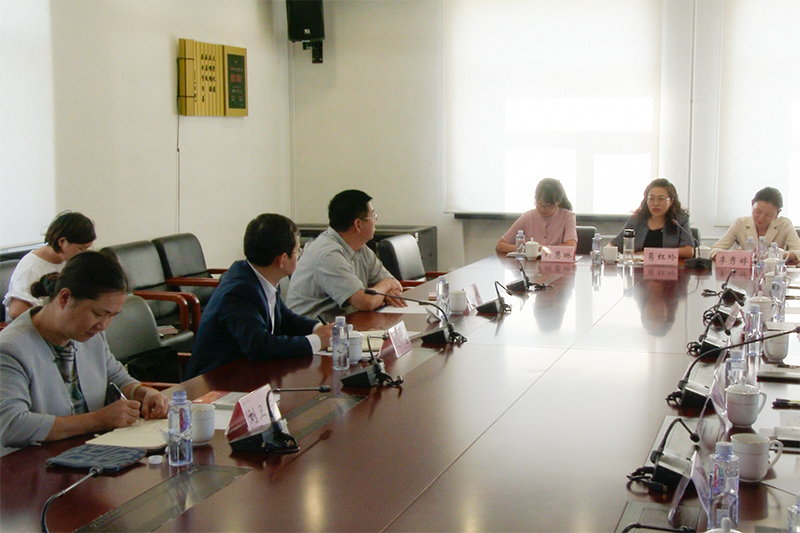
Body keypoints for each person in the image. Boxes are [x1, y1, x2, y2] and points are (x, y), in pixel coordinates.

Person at [0, 252, 168, 456]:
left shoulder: (89, 334)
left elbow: (115, 375)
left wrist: (144, 393)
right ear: (65, 298)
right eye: (97, 314)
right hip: (30, 464)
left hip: (87, 453)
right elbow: (11, 425)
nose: (103, 325)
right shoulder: (10, 348)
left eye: (111, 316)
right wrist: (97, 420)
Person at [184, 214, 335, 380]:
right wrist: (316, 341)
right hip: (214, 382)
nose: (299, 255)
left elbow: (286, 320)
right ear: (282, 260)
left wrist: (318, 329)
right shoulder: (239, 291)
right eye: (297, 251)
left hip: (246, 373)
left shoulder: (261, 276)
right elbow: (258, 345)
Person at [286, 189, 406, 320]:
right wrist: (386, 286)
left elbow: (394, 285)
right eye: (373, 217)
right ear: (358, 224)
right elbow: (366, 302)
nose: (375, 221)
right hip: (310, 330)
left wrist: (384, 290)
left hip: (344, 324)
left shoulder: (360, 248)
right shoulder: (328, 254)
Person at [4, 211, 96, 321]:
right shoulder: (31, 268)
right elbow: (16, 311)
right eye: (81, 248)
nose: (83, 253)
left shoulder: (66, 260)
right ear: (62, 242)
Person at [711, 187, 800, 263]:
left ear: (777, 213)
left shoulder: (784, 224)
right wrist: (735, 254)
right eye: (758, 212)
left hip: (773, 273)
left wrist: (779, 254)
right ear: (752, 204)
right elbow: (713, 251)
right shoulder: (741, 223)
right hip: (745, 273)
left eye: (768, 215)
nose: (761, 218)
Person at [610, 178, 695, 258]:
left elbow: (688, 250)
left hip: (670, 268)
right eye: (651, 199)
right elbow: (613, 245)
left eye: (661, 199)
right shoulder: (637, 219)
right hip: (639, 268)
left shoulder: (679, 220)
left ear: (671, 201)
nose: (656, 203)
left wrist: (650, 253)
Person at [495, 178, 578, 254]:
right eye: (539, 204)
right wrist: (525, 249)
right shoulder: (528, 217)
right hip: (530, 265)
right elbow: (500, 246)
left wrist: (540, 249)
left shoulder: (568, 216)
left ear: (557, 202)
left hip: (556, 264)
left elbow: (571, 247)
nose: (542, 209)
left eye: (547, 205)